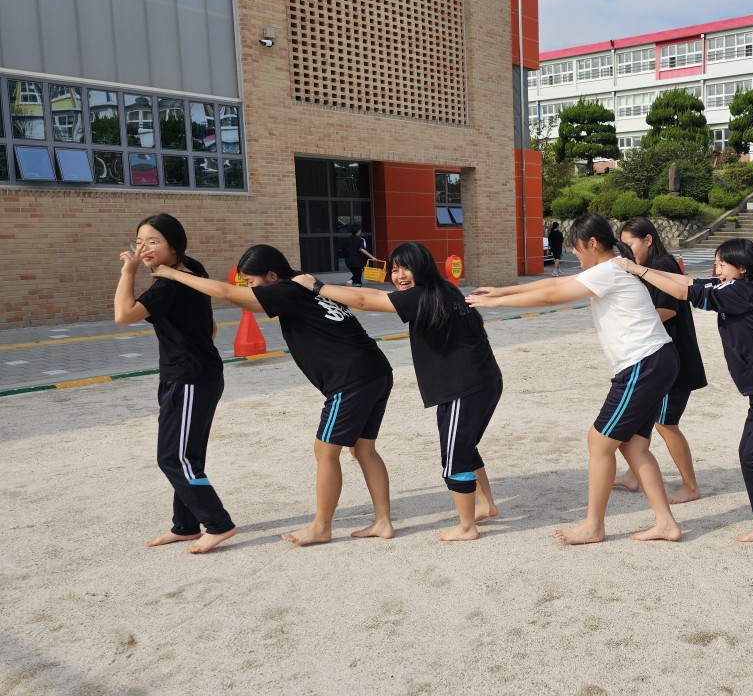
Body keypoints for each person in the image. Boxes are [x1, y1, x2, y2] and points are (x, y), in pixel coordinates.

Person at [153, 244, 395, 547]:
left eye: (252, 282)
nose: (250, 289)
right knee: (363, 449)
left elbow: (226, 293)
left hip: (351, 380)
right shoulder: (304, 281)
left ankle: (321, 526)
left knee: (325, 452)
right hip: (377, 370)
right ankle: (383, 521)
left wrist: (173, 274)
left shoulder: (286, 290)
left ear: (271, 275)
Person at [467, 213, 681, 545]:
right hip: (657, 360)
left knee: (599, 442)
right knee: (633, 445)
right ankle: (666, 523)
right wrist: (500, 292)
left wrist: (495, 303)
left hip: (644, 363)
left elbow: (552, 297)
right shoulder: (612, 266)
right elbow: (552, 284)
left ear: (593, 244)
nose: (576, 256)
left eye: (577, 249)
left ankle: (594, 525)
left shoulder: (609, 270)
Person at [613, 239, 753, 542]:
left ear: (742, 268)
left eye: (723, 263)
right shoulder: (731, 286)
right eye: (716, 262)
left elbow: (685, 291)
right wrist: (640, 270)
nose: (717, 268)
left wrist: (636, 269)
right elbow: (688, 280)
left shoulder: (738, 291)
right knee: (747, 454)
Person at [293, 242, 502, 541]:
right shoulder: (442, 289)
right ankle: (486, 504)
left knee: (454, 456)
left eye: (406, 268)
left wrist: (317, 286)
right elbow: (375, 295)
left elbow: (366, 300)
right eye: (394, 269)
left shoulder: (421, 296)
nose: (400, 275)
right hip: (477, 383)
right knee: (464, 446)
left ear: (423, 267)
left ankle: (467, 527)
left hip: (465, 387)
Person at [114, 213, 236, 554]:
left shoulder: (167, 285)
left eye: (153, 242)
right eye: (138, 242)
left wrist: (128, 271)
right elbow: (210, 327)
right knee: (187, 455)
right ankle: (185, 526)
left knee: (173, 457)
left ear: (174, 244)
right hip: (193, 374)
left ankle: (218, 523)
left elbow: (123, 314)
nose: (143, 249)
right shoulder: (192, 268)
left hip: (190, 379)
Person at [613, 218, 707, 503]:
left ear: (648, 240)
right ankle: (632, 475)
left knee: (666, 424)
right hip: (661, 359)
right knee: (645, 416)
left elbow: (666, 310)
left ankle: (690, 486)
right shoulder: (652, 267)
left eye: (630, 244)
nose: (628, 252)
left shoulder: (662, 266)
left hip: (673, 361)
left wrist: (628, 324)